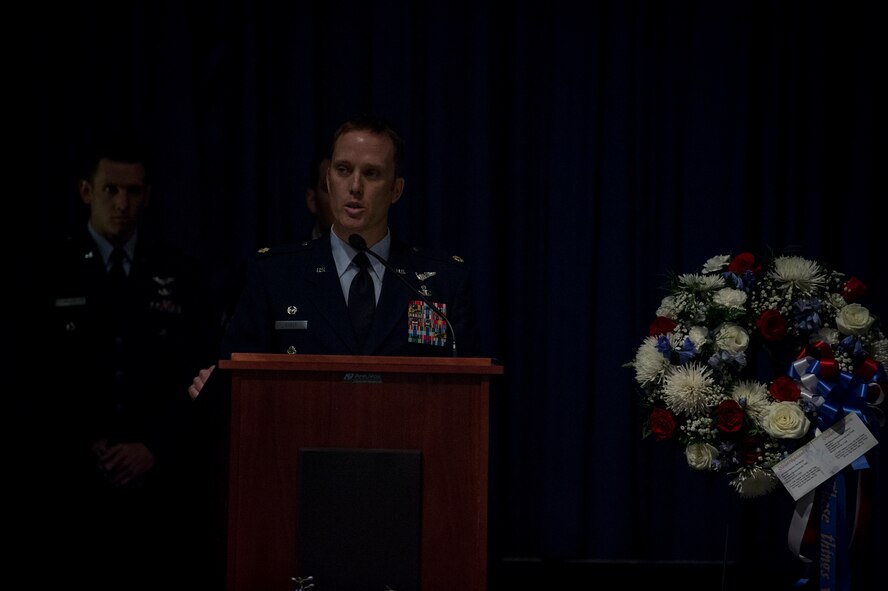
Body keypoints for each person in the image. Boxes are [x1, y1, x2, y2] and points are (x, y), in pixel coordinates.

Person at [16, 134, 218, 590]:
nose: (122, 203)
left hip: (158, 488)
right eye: (110, 189)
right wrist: (84, 444)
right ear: (86, 190)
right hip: (67, 484)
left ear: (148, 196)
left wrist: (155, 448)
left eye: (132, 191)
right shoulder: (47, 271)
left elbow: (201, 374)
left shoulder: (180, 273)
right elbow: (34, 377)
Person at [190, 115, 482, 398]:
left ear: (396, 189)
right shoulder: (275, 275)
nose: (355, 187)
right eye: (343, 170)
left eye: (371, 173)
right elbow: (236, 387)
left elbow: (467, 396)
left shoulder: (444, 282)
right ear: (328, 180)